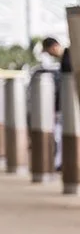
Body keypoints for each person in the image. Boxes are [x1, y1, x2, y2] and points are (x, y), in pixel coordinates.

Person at [43, 37, 72, 171]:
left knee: (61, 134)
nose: (50, 54)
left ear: (54, 47)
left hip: (68, 104)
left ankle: (60, 163)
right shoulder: (66, 57)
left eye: (49, 52)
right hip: (65, 104)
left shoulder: (68, 57)